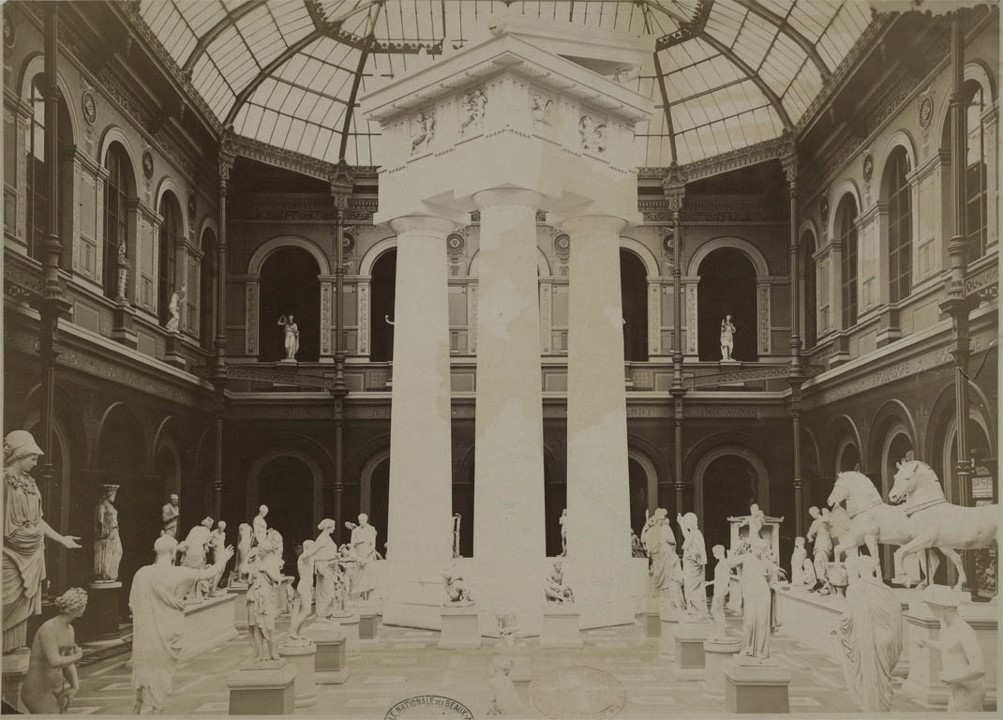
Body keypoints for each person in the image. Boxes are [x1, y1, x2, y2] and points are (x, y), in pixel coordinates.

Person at [130, 535, 233, 714]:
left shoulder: (142, 574)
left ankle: (140, 708)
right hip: (170, 630)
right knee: (162, 674)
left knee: (146, 672)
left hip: (147, 633)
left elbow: (133, 605)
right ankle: (156, 710)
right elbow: (208, 574)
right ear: (173, 553)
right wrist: (222, 559)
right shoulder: (180, 572)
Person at [3, 431, 82, 652]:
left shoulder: (31, 484)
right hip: (9, 553)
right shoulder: (3, 480)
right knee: (5, 601)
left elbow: (38, 520)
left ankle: (13, 648)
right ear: (19, 454)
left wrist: (61, 539)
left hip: (32, 552)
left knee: (21, 603)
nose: (35, 463)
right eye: (32, 457)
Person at [833, 555, 903, 712]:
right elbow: (896, 619)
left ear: (858, 570)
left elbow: (849, 617)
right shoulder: (887, 590)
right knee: (884, 677)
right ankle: (883, 708)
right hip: (886, 638)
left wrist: (837, 626)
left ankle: (871, 708)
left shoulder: (855, 589)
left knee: (869, 677)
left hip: (867, 639)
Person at [918, 584, 986, 711]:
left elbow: (979, 668)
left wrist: (950, 676)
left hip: (969, 692)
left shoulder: (964, 630)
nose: (929, 610)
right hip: (957, 689)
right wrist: (928, 643)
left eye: (930, 606)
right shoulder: (947, 625)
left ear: (939, 607)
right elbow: (950, 647)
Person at [21, 588, 87, 714]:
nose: (85, 608)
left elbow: (68, 664)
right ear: (77, 607)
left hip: (57, 689)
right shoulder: (48, 629)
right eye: (84, 604)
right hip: (38, 690)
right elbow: (54, 661)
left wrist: (75, 686)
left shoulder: (70, 629)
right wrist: (78, 656)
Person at [731, 542, 780, 662]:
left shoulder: (766, 562)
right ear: (752, 547)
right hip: (751, 594)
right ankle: (747, 647)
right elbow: (730, 563)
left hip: (764, 593)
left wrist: (775, 587)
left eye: (762, 548)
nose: (760, 550)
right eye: (757, 547)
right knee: (749, 622)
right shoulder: (746, 557)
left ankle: (759, 651)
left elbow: (773, 580)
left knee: (763, 623)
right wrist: (737, 549)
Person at [678, 512, 708, 616]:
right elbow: (686, 535)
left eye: (686, 522)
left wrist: (692, 553)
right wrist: (681, 523)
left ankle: (696, 609)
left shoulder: (697, 534)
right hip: (689, 565)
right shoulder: (692, 533)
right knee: (688, 586)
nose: (685, 523)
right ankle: (691, 608)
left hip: (694, 565)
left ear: (690, 522)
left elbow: (701, 550)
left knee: (692, 587)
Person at [288, 540, 319, 640]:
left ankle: (298, 632)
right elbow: (308, 555)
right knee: (306, 611)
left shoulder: (308, 559)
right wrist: (319, 547)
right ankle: (293, 631)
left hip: (307, 586)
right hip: (304, 586)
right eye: (312, 547)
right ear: (307, 548)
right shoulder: (303, 557)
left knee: (304, 611)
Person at [94, 484, 123, 582]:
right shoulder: (101, 506)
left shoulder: (111, 506)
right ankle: (105, 575)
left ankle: (111, 574)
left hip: (114, 531)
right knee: (108, 553)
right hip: (108, 534)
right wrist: (103, 533)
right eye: (113, 495)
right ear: (108, 494)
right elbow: (100, 521)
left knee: (118, 551)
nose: (114, 497)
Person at [347, 514, 378, 601]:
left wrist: (365, 556)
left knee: (369, 579)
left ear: (366, 520)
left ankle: (368, 600)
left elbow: (373, 545)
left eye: (362, 520)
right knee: (358, 579)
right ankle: (358, 598)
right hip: (358, 557)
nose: (360, 522)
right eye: (359, 520)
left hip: (368, 556)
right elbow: (352, 545)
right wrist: (357, 557)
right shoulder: (355, 531)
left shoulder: (371, 529)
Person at [706, 545, 732, 640]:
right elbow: (718, 579)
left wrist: (723, 590)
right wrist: (709, 583)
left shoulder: (724, 563)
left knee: (716, 611)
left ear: (719, 552)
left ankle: (720, 632)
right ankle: (720, 631)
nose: (713, 555)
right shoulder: (722, 563)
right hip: (718, 589)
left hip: (720, 590)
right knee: (717, 611)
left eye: (714, 553)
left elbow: (725, 579)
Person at [806, 506, 833, 594]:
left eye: (812, 513)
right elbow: (811, 533)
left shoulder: (820, 520)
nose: (812, 515)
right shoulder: (823, 519)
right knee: (820, 562)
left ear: (816, 512)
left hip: (823, 543)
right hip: (823, 543)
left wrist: (810, 536)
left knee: (821, 562)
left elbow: (811, 533)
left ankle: (827, 584)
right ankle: (824, 583)